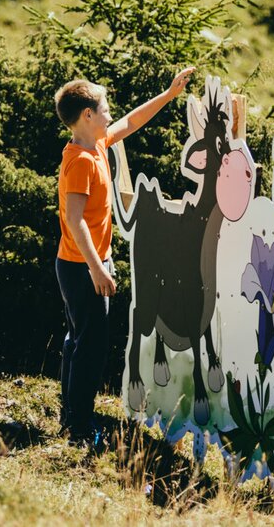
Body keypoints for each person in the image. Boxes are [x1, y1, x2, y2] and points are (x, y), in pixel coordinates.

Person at [54, 67, 195, 444]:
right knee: (91, 348)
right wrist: (97, 268)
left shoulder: (95, 145)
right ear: (87, 115)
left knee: (78, 340)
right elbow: (75, 220)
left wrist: (168, 94)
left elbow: (131, 122)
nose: (110, 113)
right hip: (82, 266)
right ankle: (79, 429)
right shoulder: (81, 161)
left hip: (82, 264)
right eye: (104, 108)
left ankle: (70, 416)